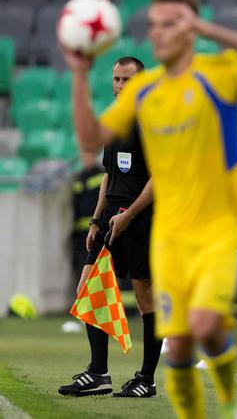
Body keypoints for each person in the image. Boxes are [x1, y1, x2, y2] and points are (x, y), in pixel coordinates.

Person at [61, 0, 237, 418]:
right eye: (154, 24)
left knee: (200, 325)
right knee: (177, 344)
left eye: (170, 22)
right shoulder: (147, 95)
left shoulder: (215, 73)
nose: (158, 31)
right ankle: (124, 377)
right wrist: (80, 74)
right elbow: (89, 143)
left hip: (215, 222)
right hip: (167, 231)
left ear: (191, 28)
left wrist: (207, 29)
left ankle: (227, 402)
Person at [59, 56, 160, 398]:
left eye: (127, 80)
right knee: (88, 289)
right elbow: (109, 173)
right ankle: (99, 372)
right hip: (109, 219)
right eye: (116, 79)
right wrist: (96, 218)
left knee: (146, 297)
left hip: (141, 219)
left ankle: (146, 378)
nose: (119, 86)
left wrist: (129, 214)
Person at [71, 151, 105, 292]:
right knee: (82, 266)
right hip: (80, 232)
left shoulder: (102, 175)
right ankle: (83, 299)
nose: (87, 160)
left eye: (89, 156)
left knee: (95, 266)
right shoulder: (79, 178)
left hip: (97, 228)